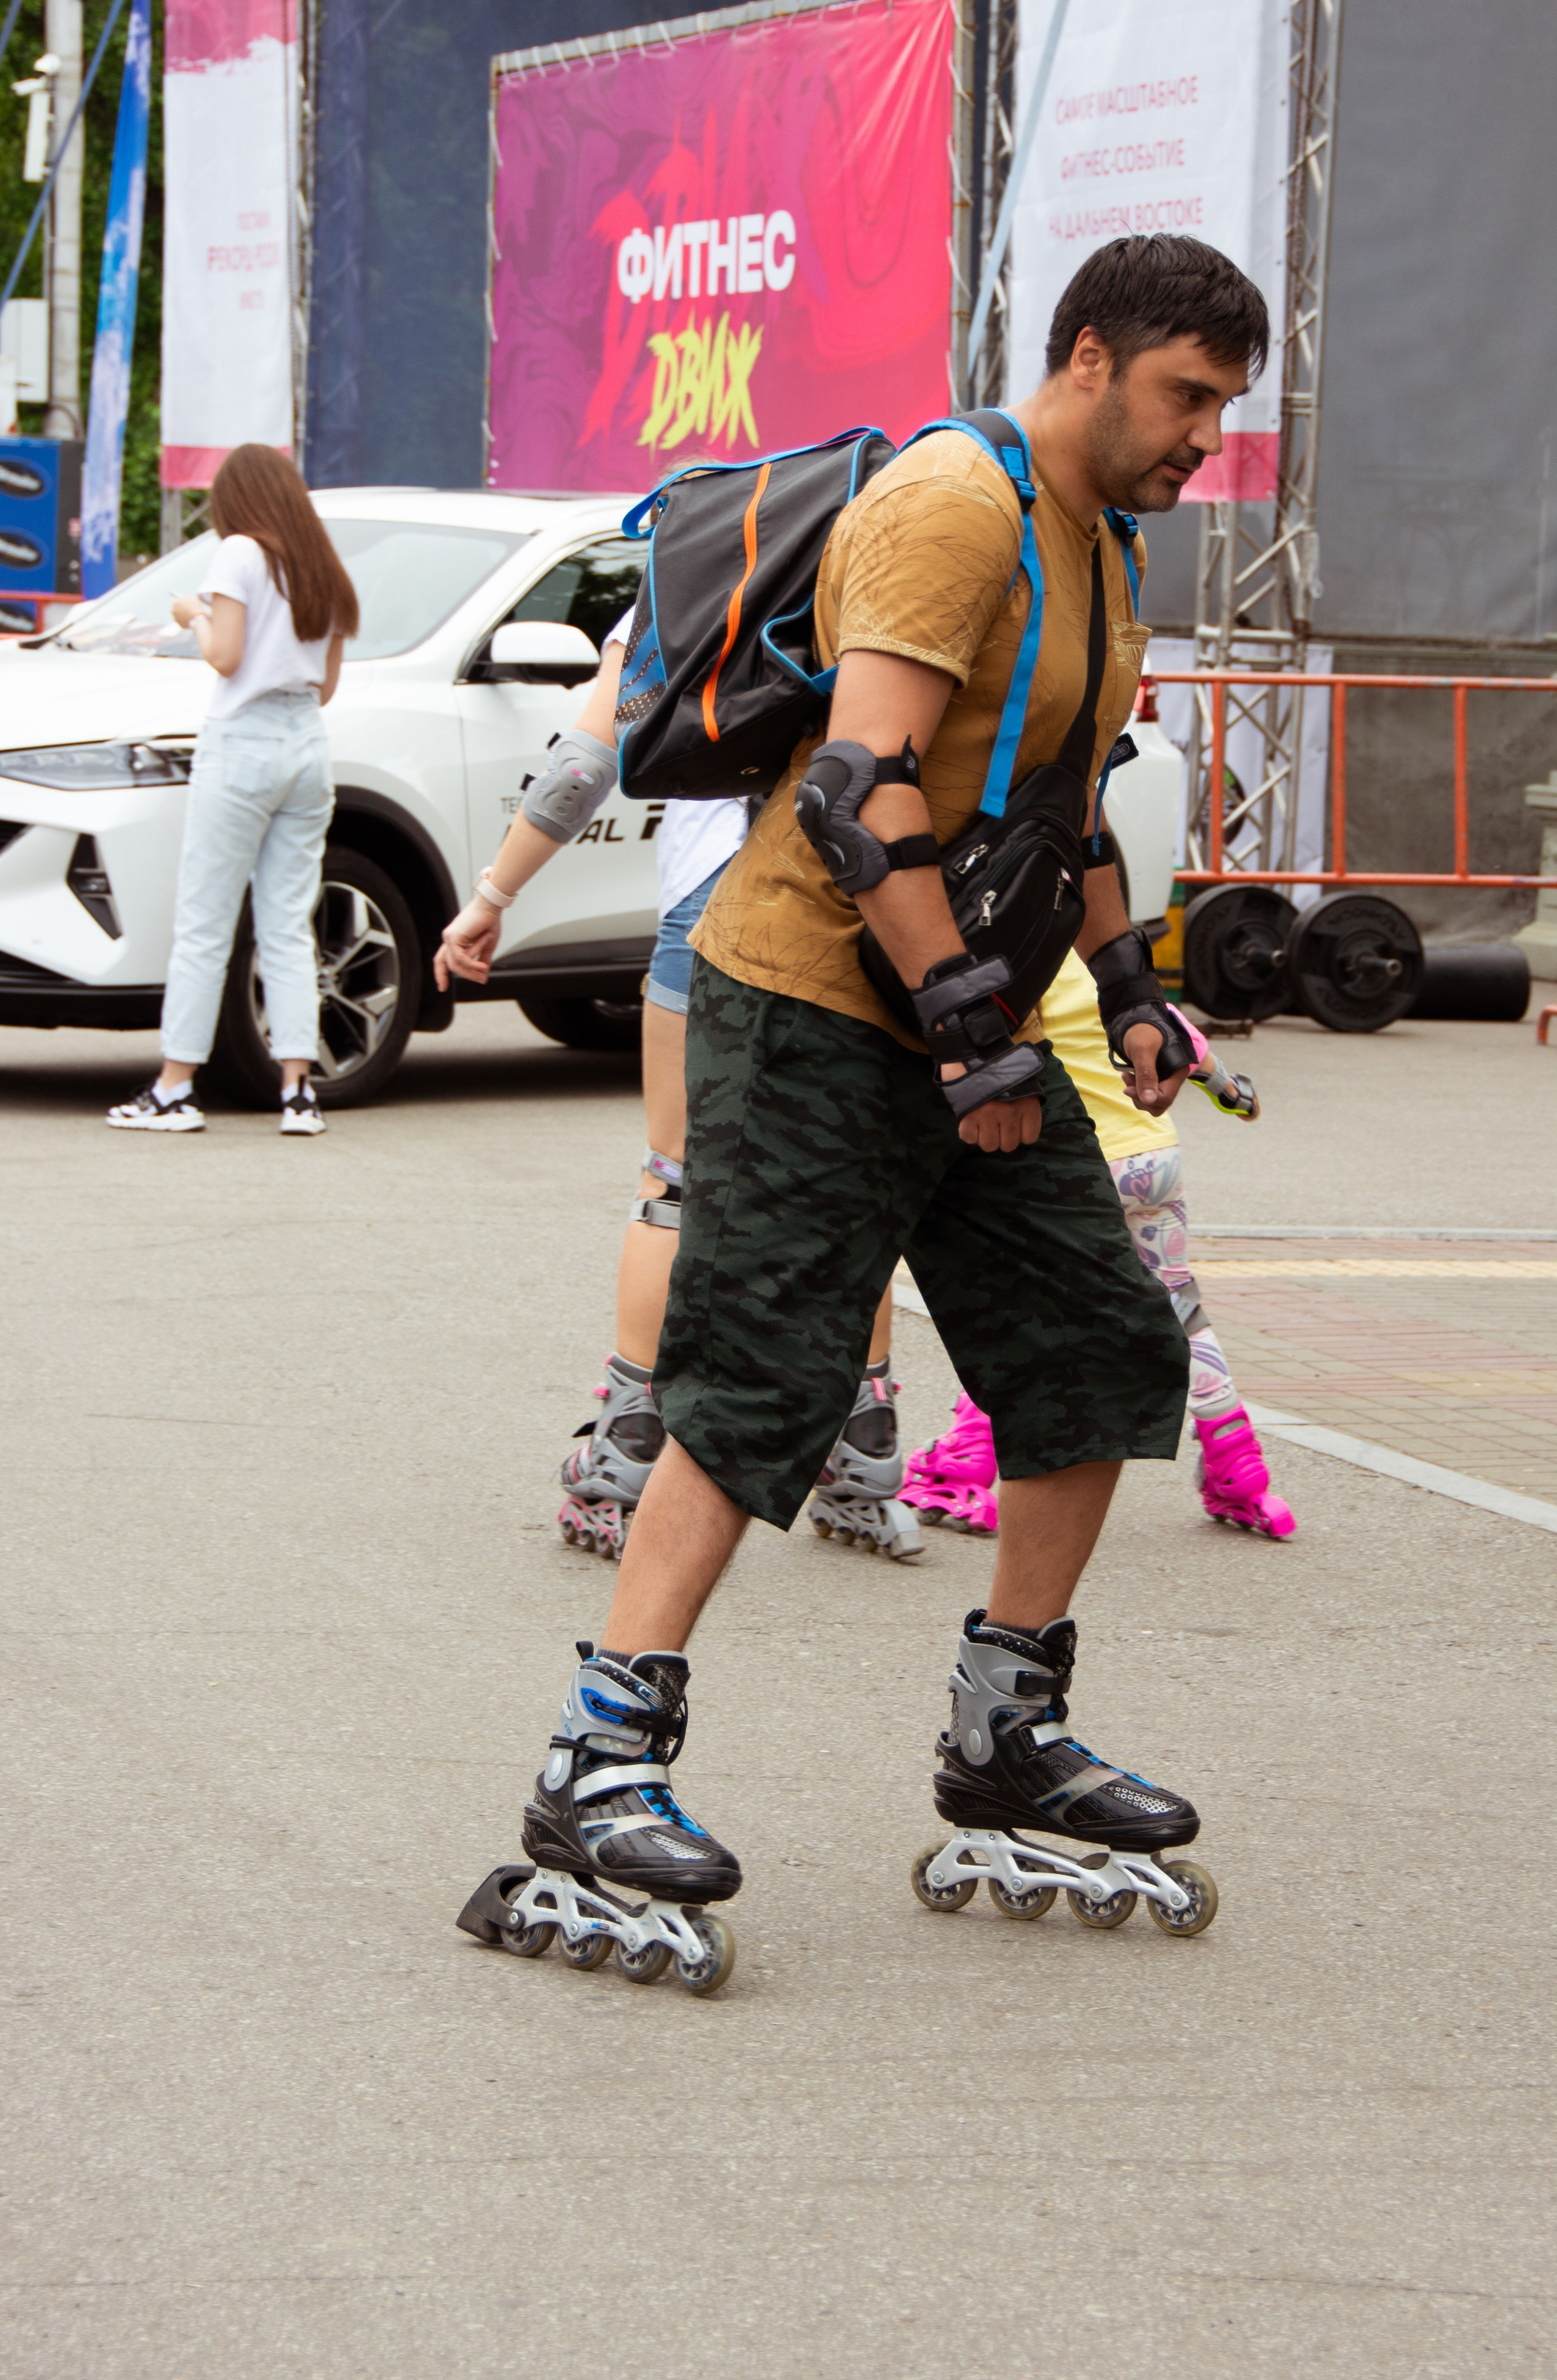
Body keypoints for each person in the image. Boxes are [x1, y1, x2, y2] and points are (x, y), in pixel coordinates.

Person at [456, 232, 1272, 1963]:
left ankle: (1006, 1734)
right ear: (1086, 358)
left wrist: (1129, 989)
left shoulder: (1104, 543)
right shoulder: (953, 506)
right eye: (1186, 395)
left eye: (1222, 406)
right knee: (762, 1382)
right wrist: (974, 1036)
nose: (1205, 436)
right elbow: (855, 785)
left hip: (965, 1014)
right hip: (817, 1003)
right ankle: (593, 1764)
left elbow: (1064, 796)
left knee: (1097, 1352)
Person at [433, 645, 915, 1566]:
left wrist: (493, 896)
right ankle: (863, 1452)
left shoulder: (693, 549)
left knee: (676, 1179)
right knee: (856, 1184)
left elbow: (584, 761)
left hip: (717, 903)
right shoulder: (881, 539)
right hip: (856, 896)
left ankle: (626, 1455)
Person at [900, 947, 1295, 1538]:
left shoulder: (1014, 972)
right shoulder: (1108, 978)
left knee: (1014, 1313)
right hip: (1154, 1162)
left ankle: (962, 1464)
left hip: (1083, 1165)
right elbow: (1200, 1060)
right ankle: (1239, 1473)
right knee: (1182, 1309)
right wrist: (1235, 1094)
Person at [106, 444, 357, 1137]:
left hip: (243, 740)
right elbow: (327, 686)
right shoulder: (323, 569)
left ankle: (175, 1086)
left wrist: (192, 611)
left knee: (205, 922)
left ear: (238, 500)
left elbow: (225, 656)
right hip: (307, 743)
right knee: (287, 921)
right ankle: (299, 1090)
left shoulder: (239, 554)